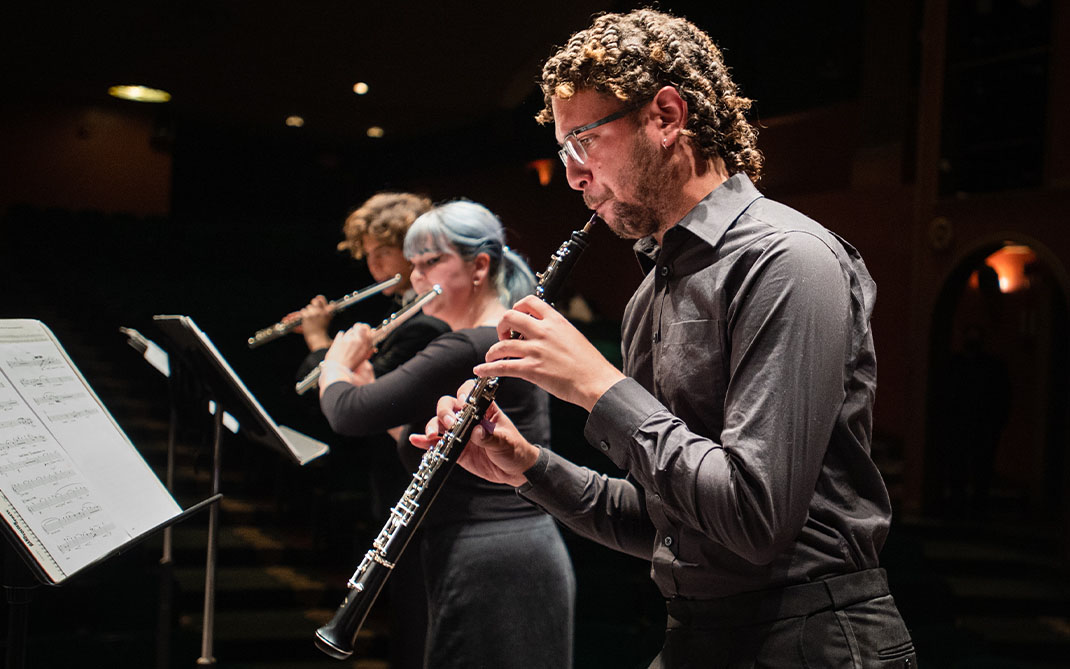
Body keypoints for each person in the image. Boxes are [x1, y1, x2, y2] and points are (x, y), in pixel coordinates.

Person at [414, 9, 916, 668]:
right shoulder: (654, 290)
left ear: (667, 116)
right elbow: (667, 517)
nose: (571, 175)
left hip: (811, 637)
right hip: (702, 635)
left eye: (581, 143)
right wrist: (529, 468)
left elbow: (753, 517)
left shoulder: (789, 259)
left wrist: (599, 386)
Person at [319, 200, 576, 669]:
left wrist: (333, 360)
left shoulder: (470, 344)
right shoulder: (499, 334)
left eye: (432, 261)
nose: (418, 278)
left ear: (480, 265)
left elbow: (347, 414)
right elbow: (445, 440)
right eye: (413, 265)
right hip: (508, 549)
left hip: (489, 555)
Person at [292, 192, 448, 385]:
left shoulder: (428, 321)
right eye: (368, 254)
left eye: (383, 253)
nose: (373, 264)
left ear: (415, 249)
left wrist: (317, 337)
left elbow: (365, 393)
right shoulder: (404, 303)